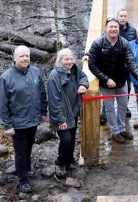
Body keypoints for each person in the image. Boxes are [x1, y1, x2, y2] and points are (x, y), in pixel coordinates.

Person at [0, 45, 48, 193]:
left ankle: (27, 168)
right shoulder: (6, 78)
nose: (25, 58)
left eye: (27, 56)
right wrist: (7, 125)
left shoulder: (35, 72)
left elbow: (42, 94)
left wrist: (43, 112)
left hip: (33, 119)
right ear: (14, 58)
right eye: (22, 56)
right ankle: (22, 180)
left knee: (29, 146)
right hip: (17, 123)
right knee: (20, 151)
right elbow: (1, 104)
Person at [88, 17, 138, 144]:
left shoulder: (124, 43)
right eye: (111, 27)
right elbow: (91, 65)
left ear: (118, 29)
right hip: (106, 83)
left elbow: (131, 62)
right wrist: (106, 79)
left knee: (122, 106)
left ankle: (121, 128)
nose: (114, 29)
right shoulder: (98, 43)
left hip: (121, 81)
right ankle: (115, 132)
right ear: (106, 28)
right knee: (109, 109)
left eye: (116, 27)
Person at [47, 48, 88, 178]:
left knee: (72, 137)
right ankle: (60, 163)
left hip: (73, 111)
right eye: (66, 59)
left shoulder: (75, 69)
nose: (69, 62)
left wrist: (83, 85)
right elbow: (54, 101)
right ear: (60, 61)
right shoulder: (54, 75)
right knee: (66, 139)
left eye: (71, 59)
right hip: (62, 115)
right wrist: (60, 120)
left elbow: (84, 76)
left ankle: (69, 160)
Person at [96, 8, 137, 124]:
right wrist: (88, 54)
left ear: (127, 18)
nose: (123, 18)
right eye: (121, 16)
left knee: (126, 88)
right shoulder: (111, 29)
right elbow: (99, 43)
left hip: (126, 65)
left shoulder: (132, 31)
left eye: (125, 16)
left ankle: (125, 106)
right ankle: (104, 111)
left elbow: (134, 46)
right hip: (112, 64)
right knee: (108, 91)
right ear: (117, 17)